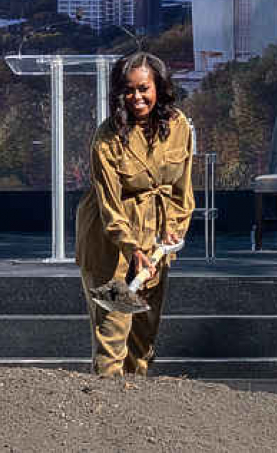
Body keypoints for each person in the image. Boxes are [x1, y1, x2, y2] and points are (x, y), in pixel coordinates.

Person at [75, 52, 194, 376]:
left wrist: (174, 230)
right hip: (110, 248)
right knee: (113, 336)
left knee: (143, 340)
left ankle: (136, 415)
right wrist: (134, 250)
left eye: (144, 88)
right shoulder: (106, 138)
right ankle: (105, 412)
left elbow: (183, 188)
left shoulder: (179, 125)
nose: (136, 97)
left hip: (155, 243)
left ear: (159, 88)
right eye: (128, 90)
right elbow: (110, 208)